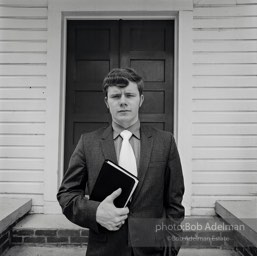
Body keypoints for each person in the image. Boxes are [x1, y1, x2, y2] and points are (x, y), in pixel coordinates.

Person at [57, 68, 185, 256]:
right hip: (104, 249)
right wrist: (96, 212)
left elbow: (174, 202)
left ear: (140, 100)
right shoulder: (88, 143)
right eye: (116, 96)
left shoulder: (165, 142)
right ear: (106, 102)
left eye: (130, 95)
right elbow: (67, 195)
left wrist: (171, 247)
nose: (123, 101)